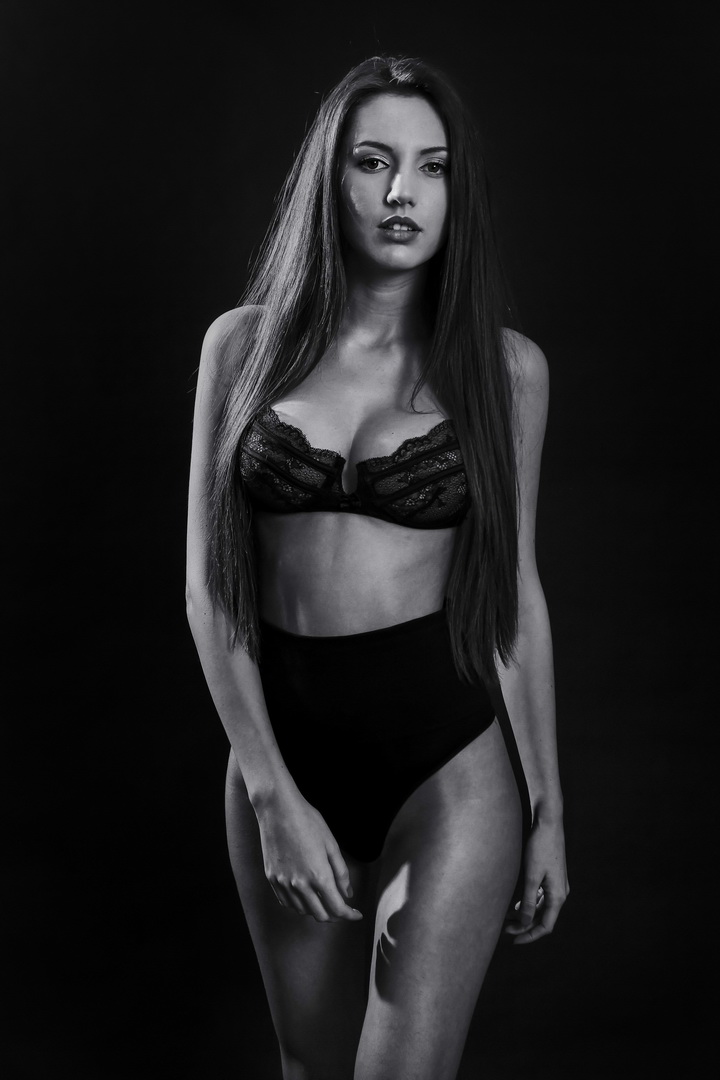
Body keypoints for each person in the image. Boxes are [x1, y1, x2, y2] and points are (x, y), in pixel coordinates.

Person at [186, 55, 568, 1080]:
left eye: (431, 167)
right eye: (374, 161)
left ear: (456, 191)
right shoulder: (240, 349)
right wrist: (270, 791)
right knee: (309, 1066)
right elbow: (210, 587)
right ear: (332, 179)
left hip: (446, 767)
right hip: (281, 758)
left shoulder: (506, 372)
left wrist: (549, 813)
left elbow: (514, 598)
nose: (404, 191)